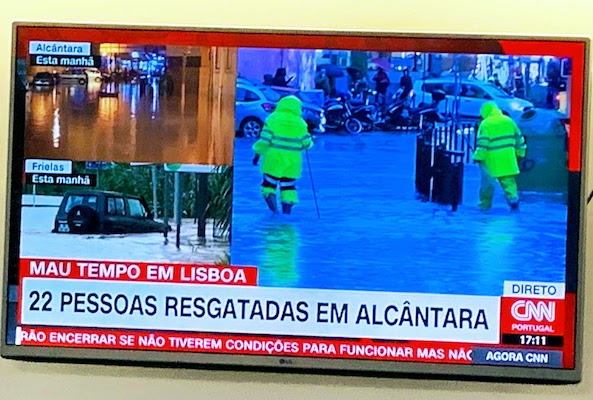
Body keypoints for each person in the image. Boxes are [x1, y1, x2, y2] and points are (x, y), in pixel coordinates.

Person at [252, 95, 314, 215]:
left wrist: (257, 155)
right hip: (292, 163)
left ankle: (274, 212)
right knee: (288, 188)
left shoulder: (272, 119)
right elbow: (307, 143)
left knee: (269, 186)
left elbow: (264, 141)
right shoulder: (300, 123)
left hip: (273, 161)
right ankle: (287, 214)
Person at [473, 101, 527, 211]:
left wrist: (478, 157)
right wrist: (520, 153)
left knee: (487, 184)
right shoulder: (509, 121)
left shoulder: (485, 124)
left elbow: (483, 144)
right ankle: (513, 200)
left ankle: (484, 206)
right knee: (508, 182)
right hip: (508, 158)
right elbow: (519, 138)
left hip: (490, 159)